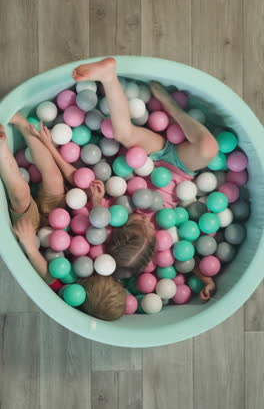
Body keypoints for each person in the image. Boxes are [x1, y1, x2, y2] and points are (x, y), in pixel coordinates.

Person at [72, 57, 218, 301]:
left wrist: (97, 200)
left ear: (119, 228)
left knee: (122, 133)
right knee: (208, 149)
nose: (145, 217)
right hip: (178, 170)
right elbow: (185, 257)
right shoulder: (163, 241)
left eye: (136, 219)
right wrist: (205, 278)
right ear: (154, 243)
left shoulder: (113, 218)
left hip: (150, 155)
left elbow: (99, 215)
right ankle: (173, 112)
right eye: (149, 226)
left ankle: (110, 77)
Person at [0, 121, 126, 320]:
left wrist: (29, 246)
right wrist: (96, 202)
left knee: (20, 195)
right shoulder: (103, 263)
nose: (92, 274)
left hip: (36, 234)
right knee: (54, 178)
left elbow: (47, 274)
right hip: (62, 215)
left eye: (89, 281)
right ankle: (26, 129)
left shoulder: (69, 291)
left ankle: (1, 148)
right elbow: (96, 229)